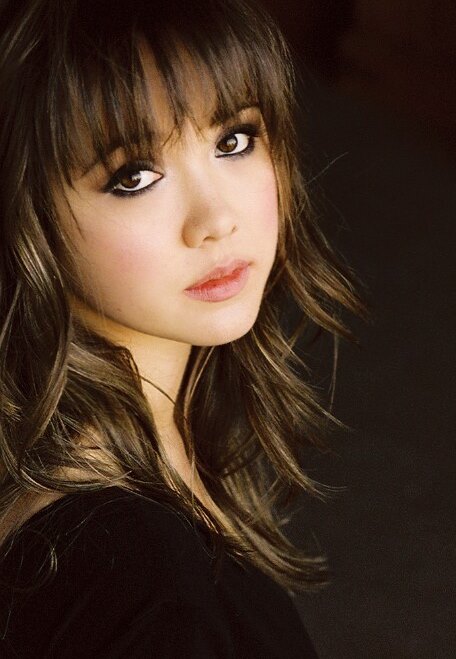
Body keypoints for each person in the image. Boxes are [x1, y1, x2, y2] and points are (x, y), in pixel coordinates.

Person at [0, 0, 362, 655]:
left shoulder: (151, 464)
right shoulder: (137, 576)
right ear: (26, 213)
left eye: (234, 140)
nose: (216, 219)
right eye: (134, 176)